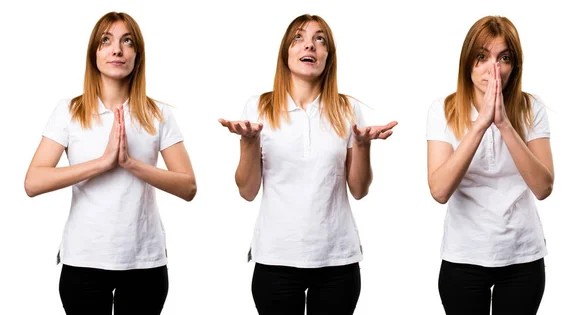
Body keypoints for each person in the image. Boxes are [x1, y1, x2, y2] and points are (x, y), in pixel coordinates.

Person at [219, 14, 397, 315]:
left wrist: (363, 146)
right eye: (299, 38)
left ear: (328, 55)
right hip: (275, 258)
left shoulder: (347, 109)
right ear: (286, 52)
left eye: (320, 39)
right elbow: (247, 190)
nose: (310, 46)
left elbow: (359, 189)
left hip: (337, 260)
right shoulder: (259, 106)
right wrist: (249, 143)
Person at [24, 11, 196, 315]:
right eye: (106, 41)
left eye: (126, 41)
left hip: (144, 263)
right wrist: (102, 163)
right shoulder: (69, 111)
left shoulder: (158, 114)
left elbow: (188, 186)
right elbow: (33, 182)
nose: (117, 49)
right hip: (83, 261)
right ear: (94, 54)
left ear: (137, 56)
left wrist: (130, 164)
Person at [426, 15, 554, 315]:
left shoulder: (530, 107)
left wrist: (504, 124)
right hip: (464, 255)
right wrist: (481, 124)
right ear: (468, 62)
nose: (492, 69)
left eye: (503, 58)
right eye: (482, 57)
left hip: (522, 256)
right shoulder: (443, 110)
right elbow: (439, 190)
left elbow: (544, 187)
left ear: (515, 65)